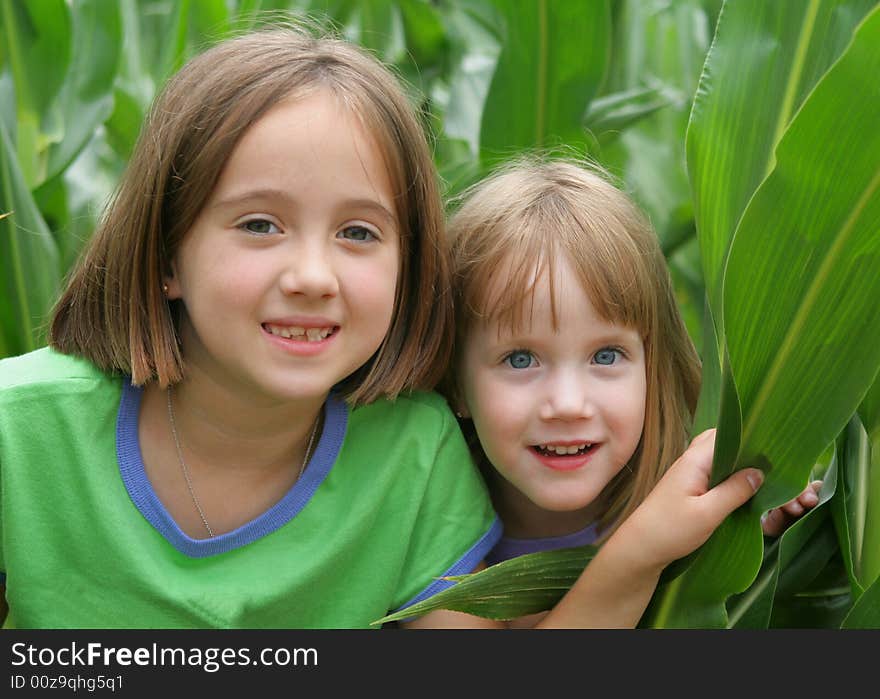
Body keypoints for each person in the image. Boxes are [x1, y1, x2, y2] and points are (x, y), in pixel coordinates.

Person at [440, 156, 821, 624]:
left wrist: (750, 544)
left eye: (605, 356)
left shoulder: (693, 505)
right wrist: (642, 552)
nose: (567, 405)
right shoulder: (430, 539)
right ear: (457, 383)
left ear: (651, 366)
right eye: (521, 359)